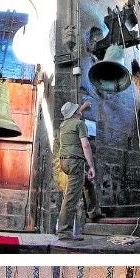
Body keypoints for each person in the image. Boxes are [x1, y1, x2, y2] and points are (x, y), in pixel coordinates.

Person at [56, 100, 96, 241]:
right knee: (71, 197)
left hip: (64, 162)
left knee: (87, 183)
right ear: (75, 113)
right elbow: (86, 146)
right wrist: (91, 166)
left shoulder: (63, 125)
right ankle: (63, 231)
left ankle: (94, 212)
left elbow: (77, 112)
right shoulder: (80, 124)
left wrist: (83, 107)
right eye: (77, 110)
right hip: (75, 162)